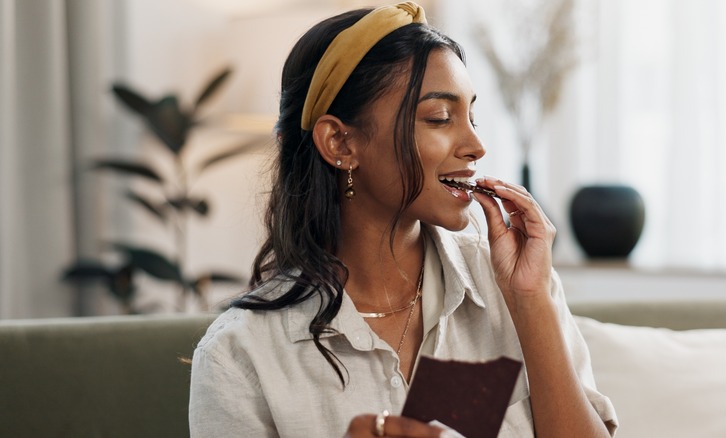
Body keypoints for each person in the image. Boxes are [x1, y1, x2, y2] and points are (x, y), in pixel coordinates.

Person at [189, 2, 617, 437]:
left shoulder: (518, 285)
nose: (476, 145)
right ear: (339, 142)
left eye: (472, 116)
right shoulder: (239, 354)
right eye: (439, 118)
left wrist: (531, 303)